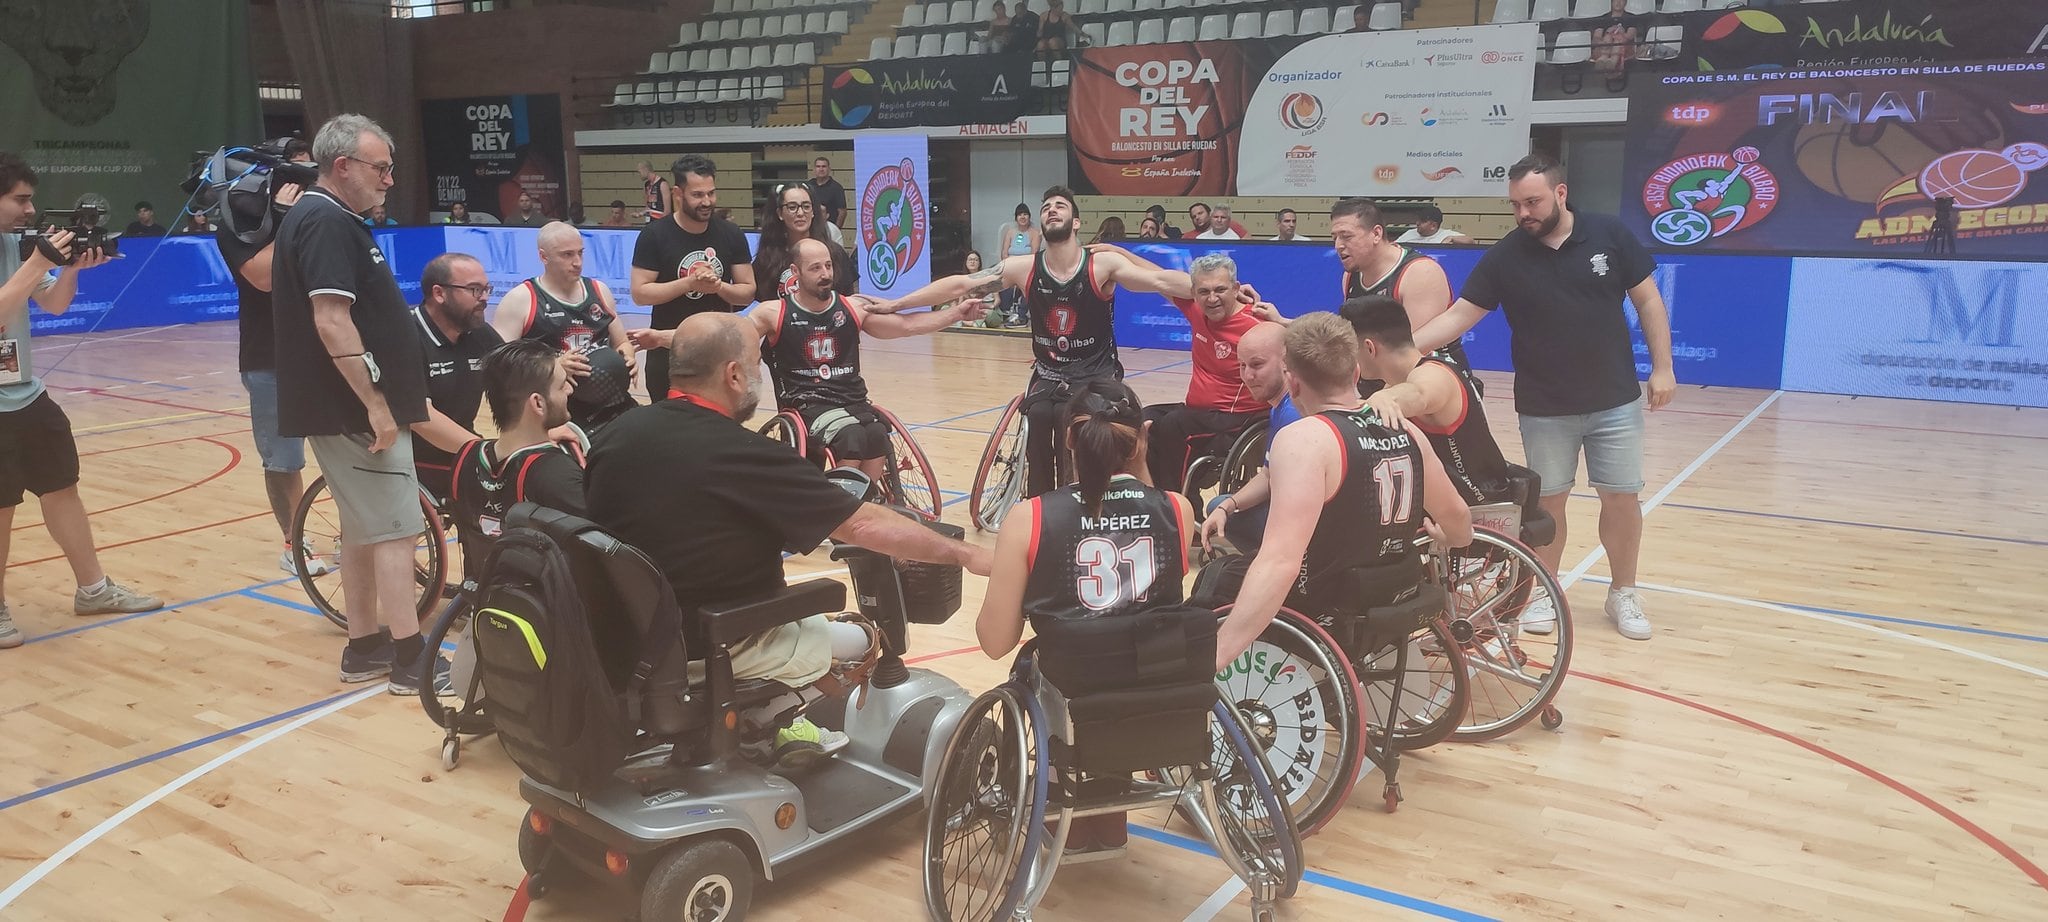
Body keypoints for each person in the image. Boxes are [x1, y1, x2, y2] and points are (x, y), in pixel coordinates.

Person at [585, 312, 993, 772]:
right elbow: (860, 526)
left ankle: (754, 727)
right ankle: (757, 723)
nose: (759, 374)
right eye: (757, 364)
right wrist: (967, 553)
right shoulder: (747, 455)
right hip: (718, 642)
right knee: (862, 637)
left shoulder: (613, 436)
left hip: (630, 641)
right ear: (733, 375)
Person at [1411, 153, 1676, 641]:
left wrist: (1663, 368)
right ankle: (1544, 592)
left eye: (1531, 202)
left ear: (1560, 193)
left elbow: (1649, 300)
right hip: (1543, 405)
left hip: (1613, 399)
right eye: (1515, 205)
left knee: (1620, 497)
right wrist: (1402, 351)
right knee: (1548, 504)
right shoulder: (1508, 254)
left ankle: (1623, 592)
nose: (1523, 213)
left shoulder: (1608, 235)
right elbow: (1459, 317)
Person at [975, 380, 1195, 862]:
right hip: (1154, 686)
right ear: (1141, 440)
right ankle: (1111, 816)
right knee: (1127, 648)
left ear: (1069, 441)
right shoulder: (1179, 510)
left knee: (1050, 669)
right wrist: (1139, 467)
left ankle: (1066, 814)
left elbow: (995, 642)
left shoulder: (1030, 517)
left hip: (1075, 685)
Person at [271, 113, 449, 696]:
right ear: (342, 166)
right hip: (353, 411)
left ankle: (364, 646)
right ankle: (409, 659)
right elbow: (331, 320)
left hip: (340, 407)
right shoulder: (324, 221)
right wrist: (375, 403)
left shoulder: (328, 218)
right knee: (398, 531)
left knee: (363, 531)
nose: (390, 179)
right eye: (381, 168)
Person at [875, 186, 1194, 500]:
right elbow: (961, 284)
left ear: (1077, 222)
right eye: (1046, 208)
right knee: (1040, 417)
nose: (1052, 210)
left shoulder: (1101, 266)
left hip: (1097, 376)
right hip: (1049, 376)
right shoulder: (1024, 267)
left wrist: (1223, 290)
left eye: (1060, 205)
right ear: (1041, 224)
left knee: (1078, 421)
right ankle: (1042, 506)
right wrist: (896, 304)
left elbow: (1162, 280)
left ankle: (1092, 494)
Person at [1213, 314, 1472, 668]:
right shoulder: (1406, 430)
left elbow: (1281, 563)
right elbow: (1458, 518)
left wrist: (1218, 654)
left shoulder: (1305, 438)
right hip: (1397, 592)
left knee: (1218, 581)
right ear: (1354, 373)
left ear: (1292, 380)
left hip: (1329, 609)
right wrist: (1453, 537)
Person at [635, 238, 983, 480]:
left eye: (828, 266)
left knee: (877, 434)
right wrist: (663, 338)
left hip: (852, 398)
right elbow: (722, 336)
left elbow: (905, 326)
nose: (825, 273)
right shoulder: (774, 313)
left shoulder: (852, 306)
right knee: (852, 438)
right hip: (807, 405)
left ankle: (861, 499)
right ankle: (839, 505)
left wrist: (954, 315)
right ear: (796, 273)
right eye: (815, 267)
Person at [0, 151, 163, 649]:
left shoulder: (16, 246)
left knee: (62, 487)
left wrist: (69, 269)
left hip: (27, 395)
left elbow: (52, 303)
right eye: (19, 199)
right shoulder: (24, 253)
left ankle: (92, 588)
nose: (30, 210)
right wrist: (38, 262)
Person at [216, 138, 316, 574]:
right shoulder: (236, 225)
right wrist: (284, 220)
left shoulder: (319, 218)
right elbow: (261, 276)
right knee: (284, 459)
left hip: (325, 351)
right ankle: (296, 545)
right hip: (269, 355)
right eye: (290, 172)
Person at [1118, 251, 1264, 493]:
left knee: (1174, 425)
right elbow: (1158, 277)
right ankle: (1154, 495)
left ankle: (1183, 507)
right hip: (1198, 412)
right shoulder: (1198, 311)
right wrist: (1119, 252)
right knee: (1143, 418)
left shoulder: (1256, 326)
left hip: (1239, 419)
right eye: (1204, 292)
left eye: (1220, 290)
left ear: (1236, 288)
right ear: (1193, 293)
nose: (1212, 298)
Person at [1350, 296, 1514, 508]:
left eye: (1351, 349)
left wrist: (1383, 398)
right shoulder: (1395, 383)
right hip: (1441, 504)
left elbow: (1419, 394)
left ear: (1370, 348)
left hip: (1479, 506)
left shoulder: (1435, 375)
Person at [447, 339, 586, 576]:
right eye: (562, 385)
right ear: (538, 403)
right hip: (547, 606)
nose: (570, 390)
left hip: (487, 595)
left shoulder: (465, 457)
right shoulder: (556, 472)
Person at [491, 222, 639, 433]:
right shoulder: (520, 299)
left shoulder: (599, 290)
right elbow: (500, 366)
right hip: (558, 413)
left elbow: (621, 341)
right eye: (567, 255)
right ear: (544, 257)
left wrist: (628, 357)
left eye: (580, 253)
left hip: (610, 401)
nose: (577, 262)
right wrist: (554, 365)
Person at [630, 154, 755, 397]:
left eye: (711, 193)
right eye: (697, 195)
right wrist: (689, 283)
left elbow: (747, 293)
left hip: (719, 352)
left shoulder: (731, 234)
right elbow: (640, 293)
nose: (707, 201)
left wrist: (718, 287)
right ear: (678, 194)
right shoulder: (654, 235)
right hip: (668, 352)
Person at [1325, 196, 1468, 388]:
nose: (1338, 246)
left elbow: (1413, 354)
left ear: (1376, 233)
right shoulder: (1350, 276)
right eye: (1335, 238)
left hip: (1433, 384)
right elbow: (1351, 338)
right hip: (1382, 379)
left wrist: (1368, 407)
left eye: (1346, 236)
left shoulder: (1420, 273)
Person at [410, 252, 507, 502]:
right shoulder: (405, 335)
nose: (484, 298)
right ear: (439, 294)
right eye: (474, 289)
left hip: (460, 452)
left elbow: (519, 379)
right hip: (406, 460)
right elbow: (420, 417)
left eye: (486, 289)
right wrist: (485, 451)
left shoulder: (480, 333)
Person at [1197, 321, 1291, 556]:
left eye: (1257, 365)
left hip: (1306, 521)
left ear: (1287, 362)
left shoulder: (1294, 415)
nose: (1247, 375)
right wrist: (1229, 506)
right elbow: (1269, 475)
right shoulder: (1279, 406)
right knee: (1219, 505)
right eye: (1241, 366)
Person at [750, 182, 856, 301]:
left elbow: (848, 301)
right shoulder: (767, 257)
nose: (800, 213)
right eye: (792, 207)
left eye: (806, 206)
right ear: (780, 214)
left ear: (813, 212)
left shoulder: (834, 252)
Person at [992, 203, 1040, 326]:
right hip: (1010, 267)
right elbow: (1004, 252)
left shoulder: (1034, 233)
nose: (1023, 217)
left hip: (1026, 268)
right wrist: (1009, 267)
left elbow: (1034, 254)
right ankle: (1006, 311)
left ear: (1029, 217)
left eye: (1025, 214)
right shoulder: (1010, 232)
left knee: (1026, 285)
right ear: (1016, 217)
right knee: (998, 279)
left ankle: (1021, 315)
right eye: (1020, 214)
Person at [1394, 206, 1476, 245]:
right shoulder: (1410, 233)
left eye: (1422, 221)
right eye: (1418, 220)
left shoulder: (1445, 234)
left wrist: (1451, 238)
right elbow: (1394, 246)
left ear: (1433, 225)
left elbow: (1470, 241)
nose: (1417, 223)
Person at [807, 155, 847, 231]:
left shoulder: (836, 187)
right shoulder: (808, 186)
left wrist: (836, 229)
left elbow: (842, 212)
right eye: (818, 166)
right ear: (814, 170)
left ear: (829, 169)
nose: (821, 169)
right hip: (811, 228)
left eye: (824, 166)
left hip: (829, 229)